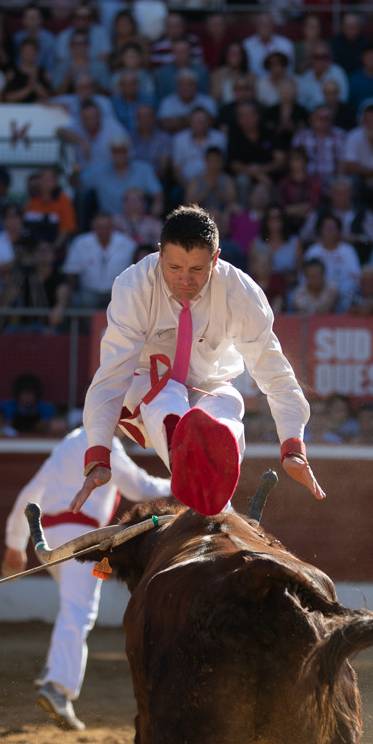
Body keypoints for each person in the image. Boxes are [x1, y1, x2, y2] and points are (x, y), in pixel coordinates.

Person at [70, 205, 325, 519]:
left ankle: (215, 489)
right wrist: (98, 454)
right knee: (168, 396)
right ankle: (196, 473)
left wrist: (292, 445)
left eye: (197, 270)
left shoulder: (241, 292)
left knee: (228, 407)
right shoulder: (133, 286)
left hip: (210, 385)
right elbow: (111, 376)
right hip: (148, 390)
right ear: (160, 254)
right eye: (175, 267)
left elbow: (275, 372)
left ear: (216, 259)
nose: (185, 280)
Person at [1, 425, 172, 730]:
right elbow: (141, 488)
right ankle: (57, 687)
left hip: (49, 538)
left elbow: (31, 491)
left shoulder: (68, 442)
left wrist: (15, 544)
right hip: (84, 539)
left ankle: (55, 668)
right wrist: (181, 486)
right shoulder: (104, 443)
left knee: (74, 605)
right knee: (78, 610)